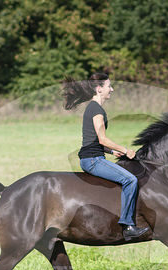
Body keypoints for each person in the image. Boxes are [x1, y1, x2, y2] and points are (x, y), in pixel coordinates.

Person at [63, 73, 149, 240]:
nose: (112, 89)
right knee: (130, 180)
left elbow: (94, 140)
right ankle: (128, 225)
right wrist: (125, 150)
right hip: (93, 161)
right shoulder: (96, 110)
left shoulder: (93, 108)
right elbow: (102, 139)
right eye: (109, 86)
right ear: (99, 88)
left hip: (94, 157)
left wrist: (110, 152)